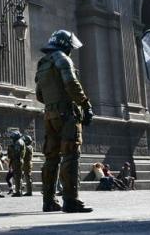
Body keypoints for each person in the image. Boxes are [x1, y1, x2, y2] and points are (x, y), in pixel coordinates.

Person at [35, 30, 94, 213]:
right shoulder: (63, 59)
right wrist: (85, 105)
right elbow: (71, 84)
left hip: (49, 116)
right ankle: (70, 201)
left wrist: (53, 104)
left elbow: (39, 95)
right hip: (67, 114)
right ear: (66, 45)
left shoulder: (44, 63)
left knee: (51, 158)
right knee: (70, 156)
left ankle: (48, 201)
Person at [7, 130, 26, 197]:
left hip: (17, 161)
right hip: (19, 160)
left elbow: (16, 153)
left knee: (17, 176)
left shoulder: (18, 142)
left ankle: (18, 191)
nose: (12, 139)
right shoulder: (20, 141)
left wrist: (11, 149)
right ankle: (19, 190)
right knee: (18, 176)